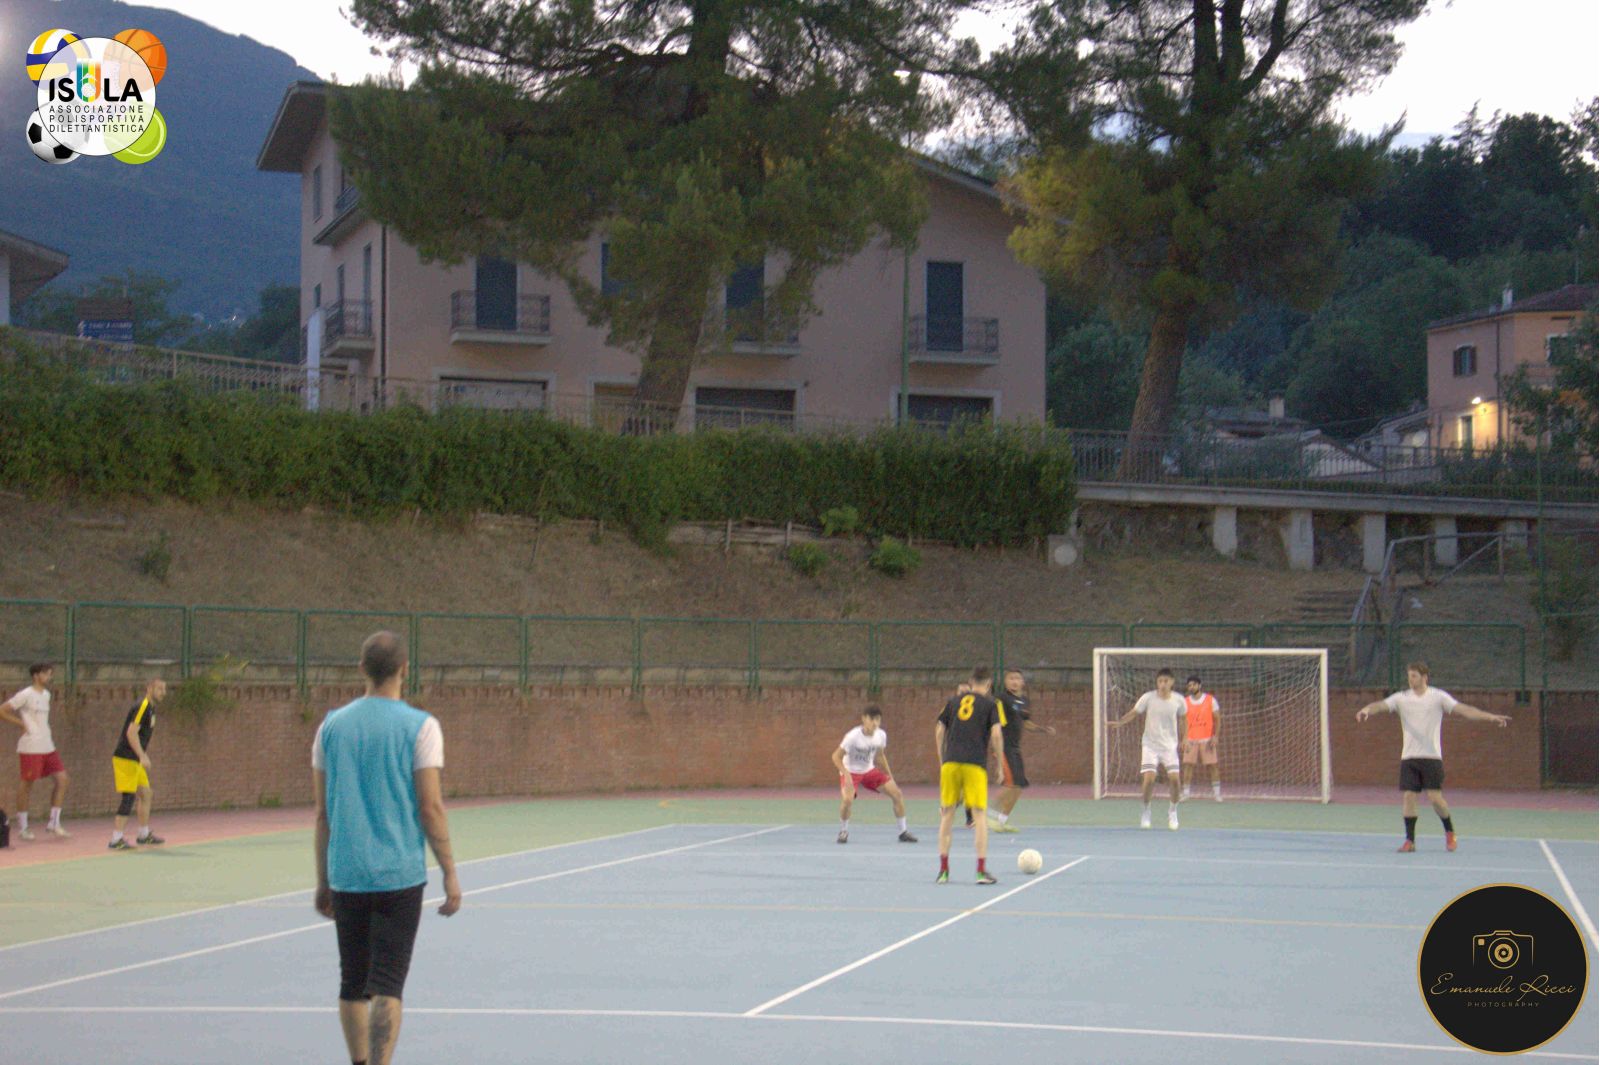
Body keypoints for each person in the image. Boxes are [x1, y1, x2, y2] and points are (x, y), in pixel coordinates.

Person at [313, 631, 462, 1065]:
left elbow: (323, 814)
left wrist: (323, 880)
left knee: (352, 981)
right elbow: (430, 806)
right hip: (399, 875)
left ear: (361, 669)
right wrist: (449, 871)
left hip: (347, 873)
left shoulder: (330, 728)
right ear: (404, 670)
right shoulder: (421, 727)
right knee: (388, 983)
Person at [1356, 661, 1509, 853]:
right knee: (1409, 797)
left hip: (1432, 757)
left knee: (1435, 798)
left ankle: (1449, 831)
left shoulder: (1438, 697)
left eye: (1414, 676)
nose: (1410, 680)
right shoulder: (1401, 698)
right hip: (1409, 757)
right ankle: (1410, 841)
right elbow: (1380, 705)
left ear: (1424, 678)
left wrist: (1490, 717)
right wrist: (1366, 709)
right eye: (1409, 676)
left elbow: (1465, 710)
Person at [935, 666, 1004, 885]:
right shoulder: (991, 705)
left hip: (951, 763)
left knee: (947, 814)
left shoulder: (953, 701)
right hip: (974, 764)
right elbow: (996, 734)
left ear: (970, 682)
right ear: (988, 684)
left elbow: (939, 729)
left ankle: (943, 871)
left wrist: (942, 758)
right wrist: (1000, 764)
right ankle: (981, 871)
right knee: (979, 816)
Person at [1109, 667, 1186, 830]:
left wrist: (1185, 739)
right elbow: (1134, 712)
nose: (1162, 684)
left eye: (1166, 681)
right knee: (1149, 779)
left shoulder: (1179, 700)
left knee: (1175, 780)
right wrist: (1119, 722)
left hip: (1169, 747)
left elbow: (1184, 720)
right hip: (1150, 745)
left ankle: (1173, 811)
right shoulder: (1148, 698)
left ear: (1172, 682)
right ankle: (1146, 810)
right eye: (1160, 681)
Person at [0, 663, 70, 840]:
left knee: (62, 779)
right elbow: (3, 710)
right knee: (27, 784)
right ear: (36, 675)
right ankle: (23, 827)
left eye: (50, 674)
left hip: (48, 746)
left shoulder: (46, 695)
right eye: (46, 674)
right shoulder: (25, 694)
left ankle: (54, 823)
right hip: (31, 747)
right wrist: (21, 724)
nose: (49, 677)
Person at [833, 706, 917, 844]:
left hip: (869, 771)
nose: (875, 723)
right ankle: (843, 831)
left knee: (897, 794)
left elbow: (880, 756)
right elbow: (835, 756)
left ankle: (903, 832)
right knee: (847, 800)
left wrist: (890, 776)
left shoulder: (881, 735)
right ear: (864, 719)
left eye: (878, 719)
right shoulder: (852, 736)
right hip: (850, 771)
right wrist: (846, 775)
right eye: (871, 719)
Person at [990, 669, 1055, 833]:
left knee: (1018, 786)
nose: (1014, 681)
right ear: (1006, 682)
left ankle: (1001, 821)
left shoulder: (1025, 701)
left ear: (1022, 682)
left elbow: (1026, 722)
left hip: (1015, 748)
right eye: (1011, 678)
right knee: (1011, 784)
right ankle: (987, 814)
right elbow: (994, 721)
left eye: (1017, 678)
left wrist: (1043, 729)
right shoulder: (1001, 699)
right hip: (1004, 746)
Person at [109, 678, 168, 849]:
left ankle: (143, 834)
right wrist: (142, 755)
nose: (163, 692)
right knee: (129, 796)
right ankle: (116, 839)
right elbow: (131, 733)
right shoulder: (142, 706)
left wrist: (141, 756)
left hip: (134, 758)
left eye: (164, 689)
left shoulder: (151, 709)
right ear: (149, 688)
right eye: (159, 688)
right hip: (126, 757)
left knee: (146, 794)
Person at [1179, 675, 1222, 802]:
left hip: (1207, 739)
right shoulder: (1185, 702)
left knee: (1213, 766)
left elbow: (1218, 719)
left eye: (1193, 685)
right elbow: (1182, 722)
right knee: (1188, 766)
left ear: (1199, 685)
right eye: (1189, 685)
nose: (1191, 687)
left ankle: (1217, 794)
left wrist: (1216, 736)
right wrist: (1184, 738)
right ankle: (1186, 793)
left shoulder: (1210, 700)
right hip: (1190, 739)